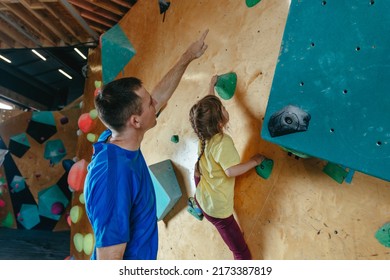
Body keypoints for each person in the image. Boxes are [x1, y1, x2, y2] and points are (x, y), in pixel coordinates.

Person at [84, 30, 209, 260]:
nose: (156, 103)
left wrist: (187, 57)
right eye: (149, 103)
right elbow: (109, 261)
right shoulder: (113, 178)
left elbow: (160, 96)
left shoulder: (114, 137)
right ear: (135, 121)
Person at [189, 75, 265, 260]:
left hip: (201, 192)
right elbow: (231, 171)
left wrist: (211, 85)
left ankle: (197, 205)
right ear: (220, 123)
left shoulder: (202, 130)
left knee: (198, 170)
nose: (225, 107)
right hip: (216, 210)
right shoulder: (223, 143)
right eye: (223, 108)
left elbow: (206, 108)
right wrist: (254, 161)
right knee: (240, 252)